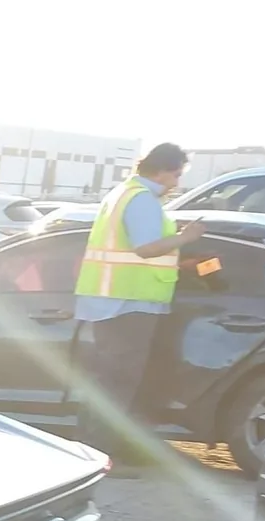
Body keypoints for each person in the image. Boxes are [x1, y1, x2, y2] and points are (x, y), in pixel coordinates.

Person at [73, 142, 205, 468]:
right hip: (126, 303)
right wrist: (187, 237)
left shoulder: (124, 193)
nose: (176, 182)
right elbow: (145, 249)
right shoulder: (142, 199)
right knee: (117, 383)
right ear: (161, 171)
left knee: (109, 381)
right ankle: (99, 458)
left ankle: (92, 452)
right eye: (176, 175)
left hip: (114, 299)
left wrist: (179, 260)